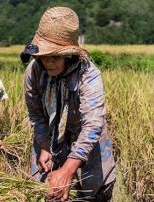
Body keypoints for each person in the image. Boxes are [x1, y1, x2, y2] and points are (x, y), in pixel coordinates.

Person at [21, 7, 116, 202]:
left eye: (55, 56)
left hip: (89, 153)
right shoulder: (34, 71)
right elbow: (37, 115)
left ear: (68, 54)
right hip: (52, 148)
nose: (48, 62)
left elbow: (92, 124)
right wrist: (44, 146)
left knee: (91, 195)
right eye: (43, 56)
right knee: (48, 194)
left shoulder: (88, 75)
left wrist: (68, 169)